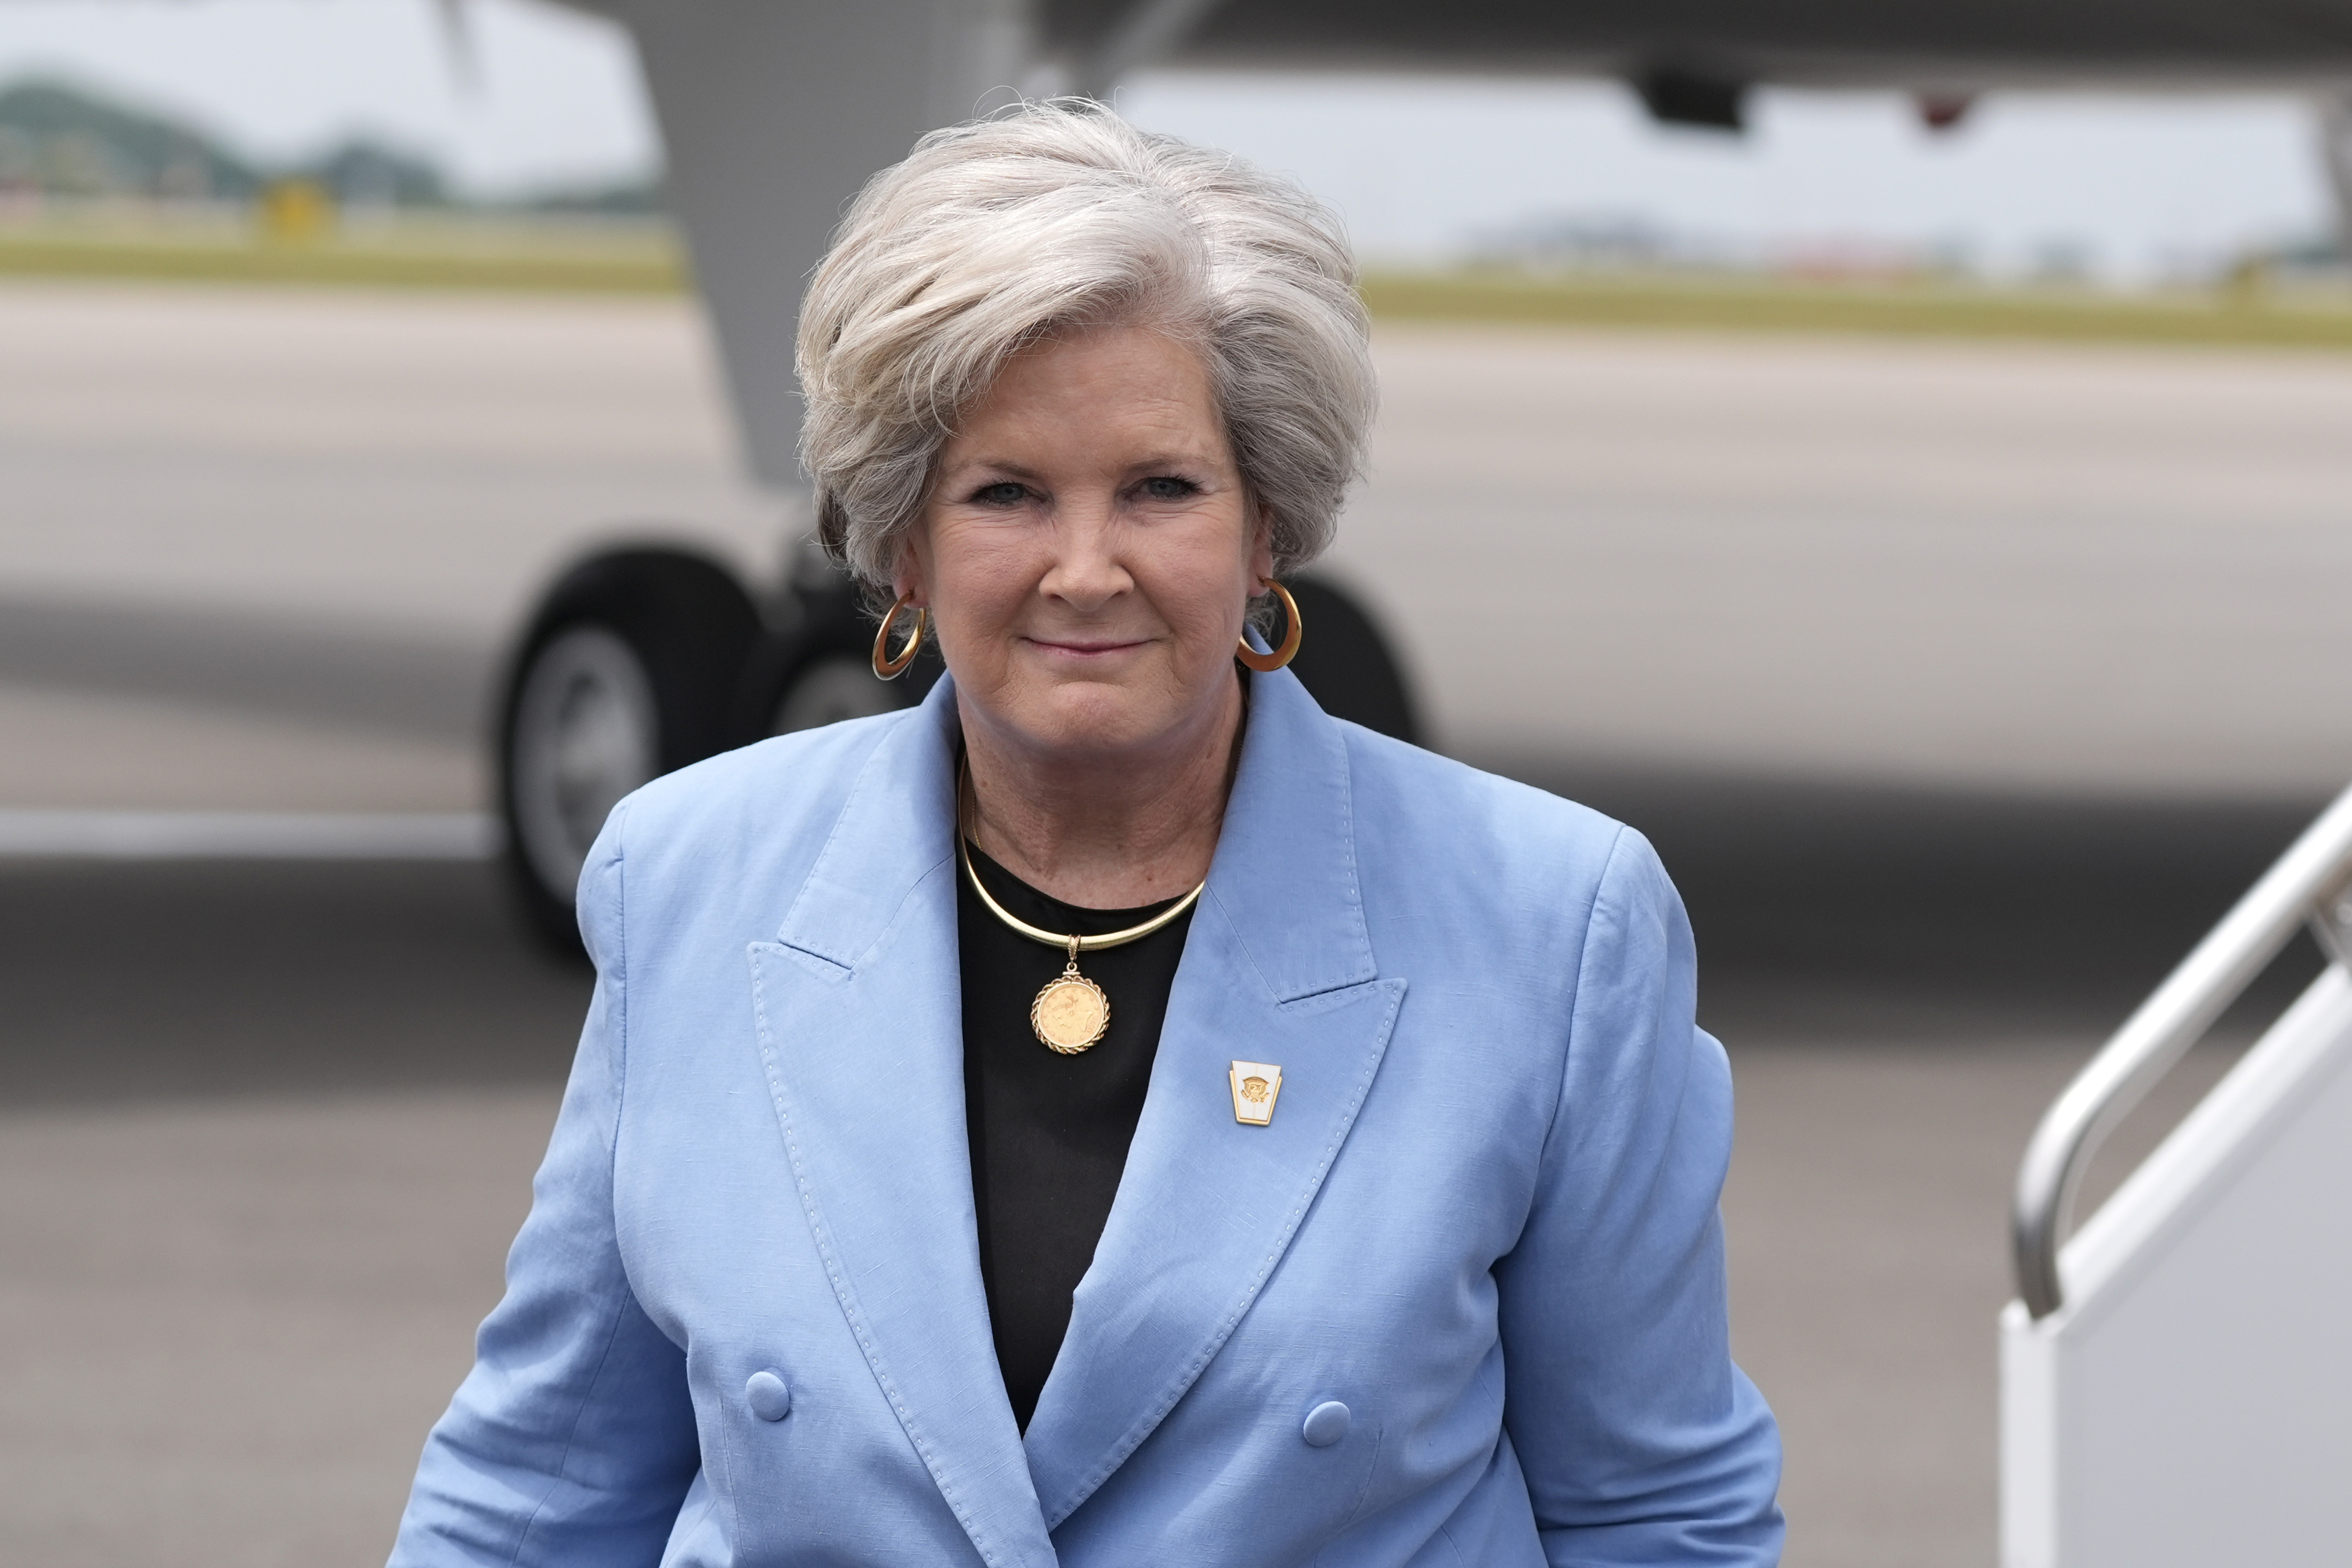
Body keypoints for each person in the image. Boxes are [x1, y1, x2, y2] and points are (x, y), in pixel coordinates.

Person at [389, 101, 1781, 1567]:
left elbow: (1656, 1519)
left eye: (1161, 489)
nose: (1084, 567)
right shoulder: (687, 877)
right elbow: (538, 1489)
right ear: (903, 546)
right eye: (1006, 493)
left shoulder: (1559, 925)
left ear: (1267, 529)